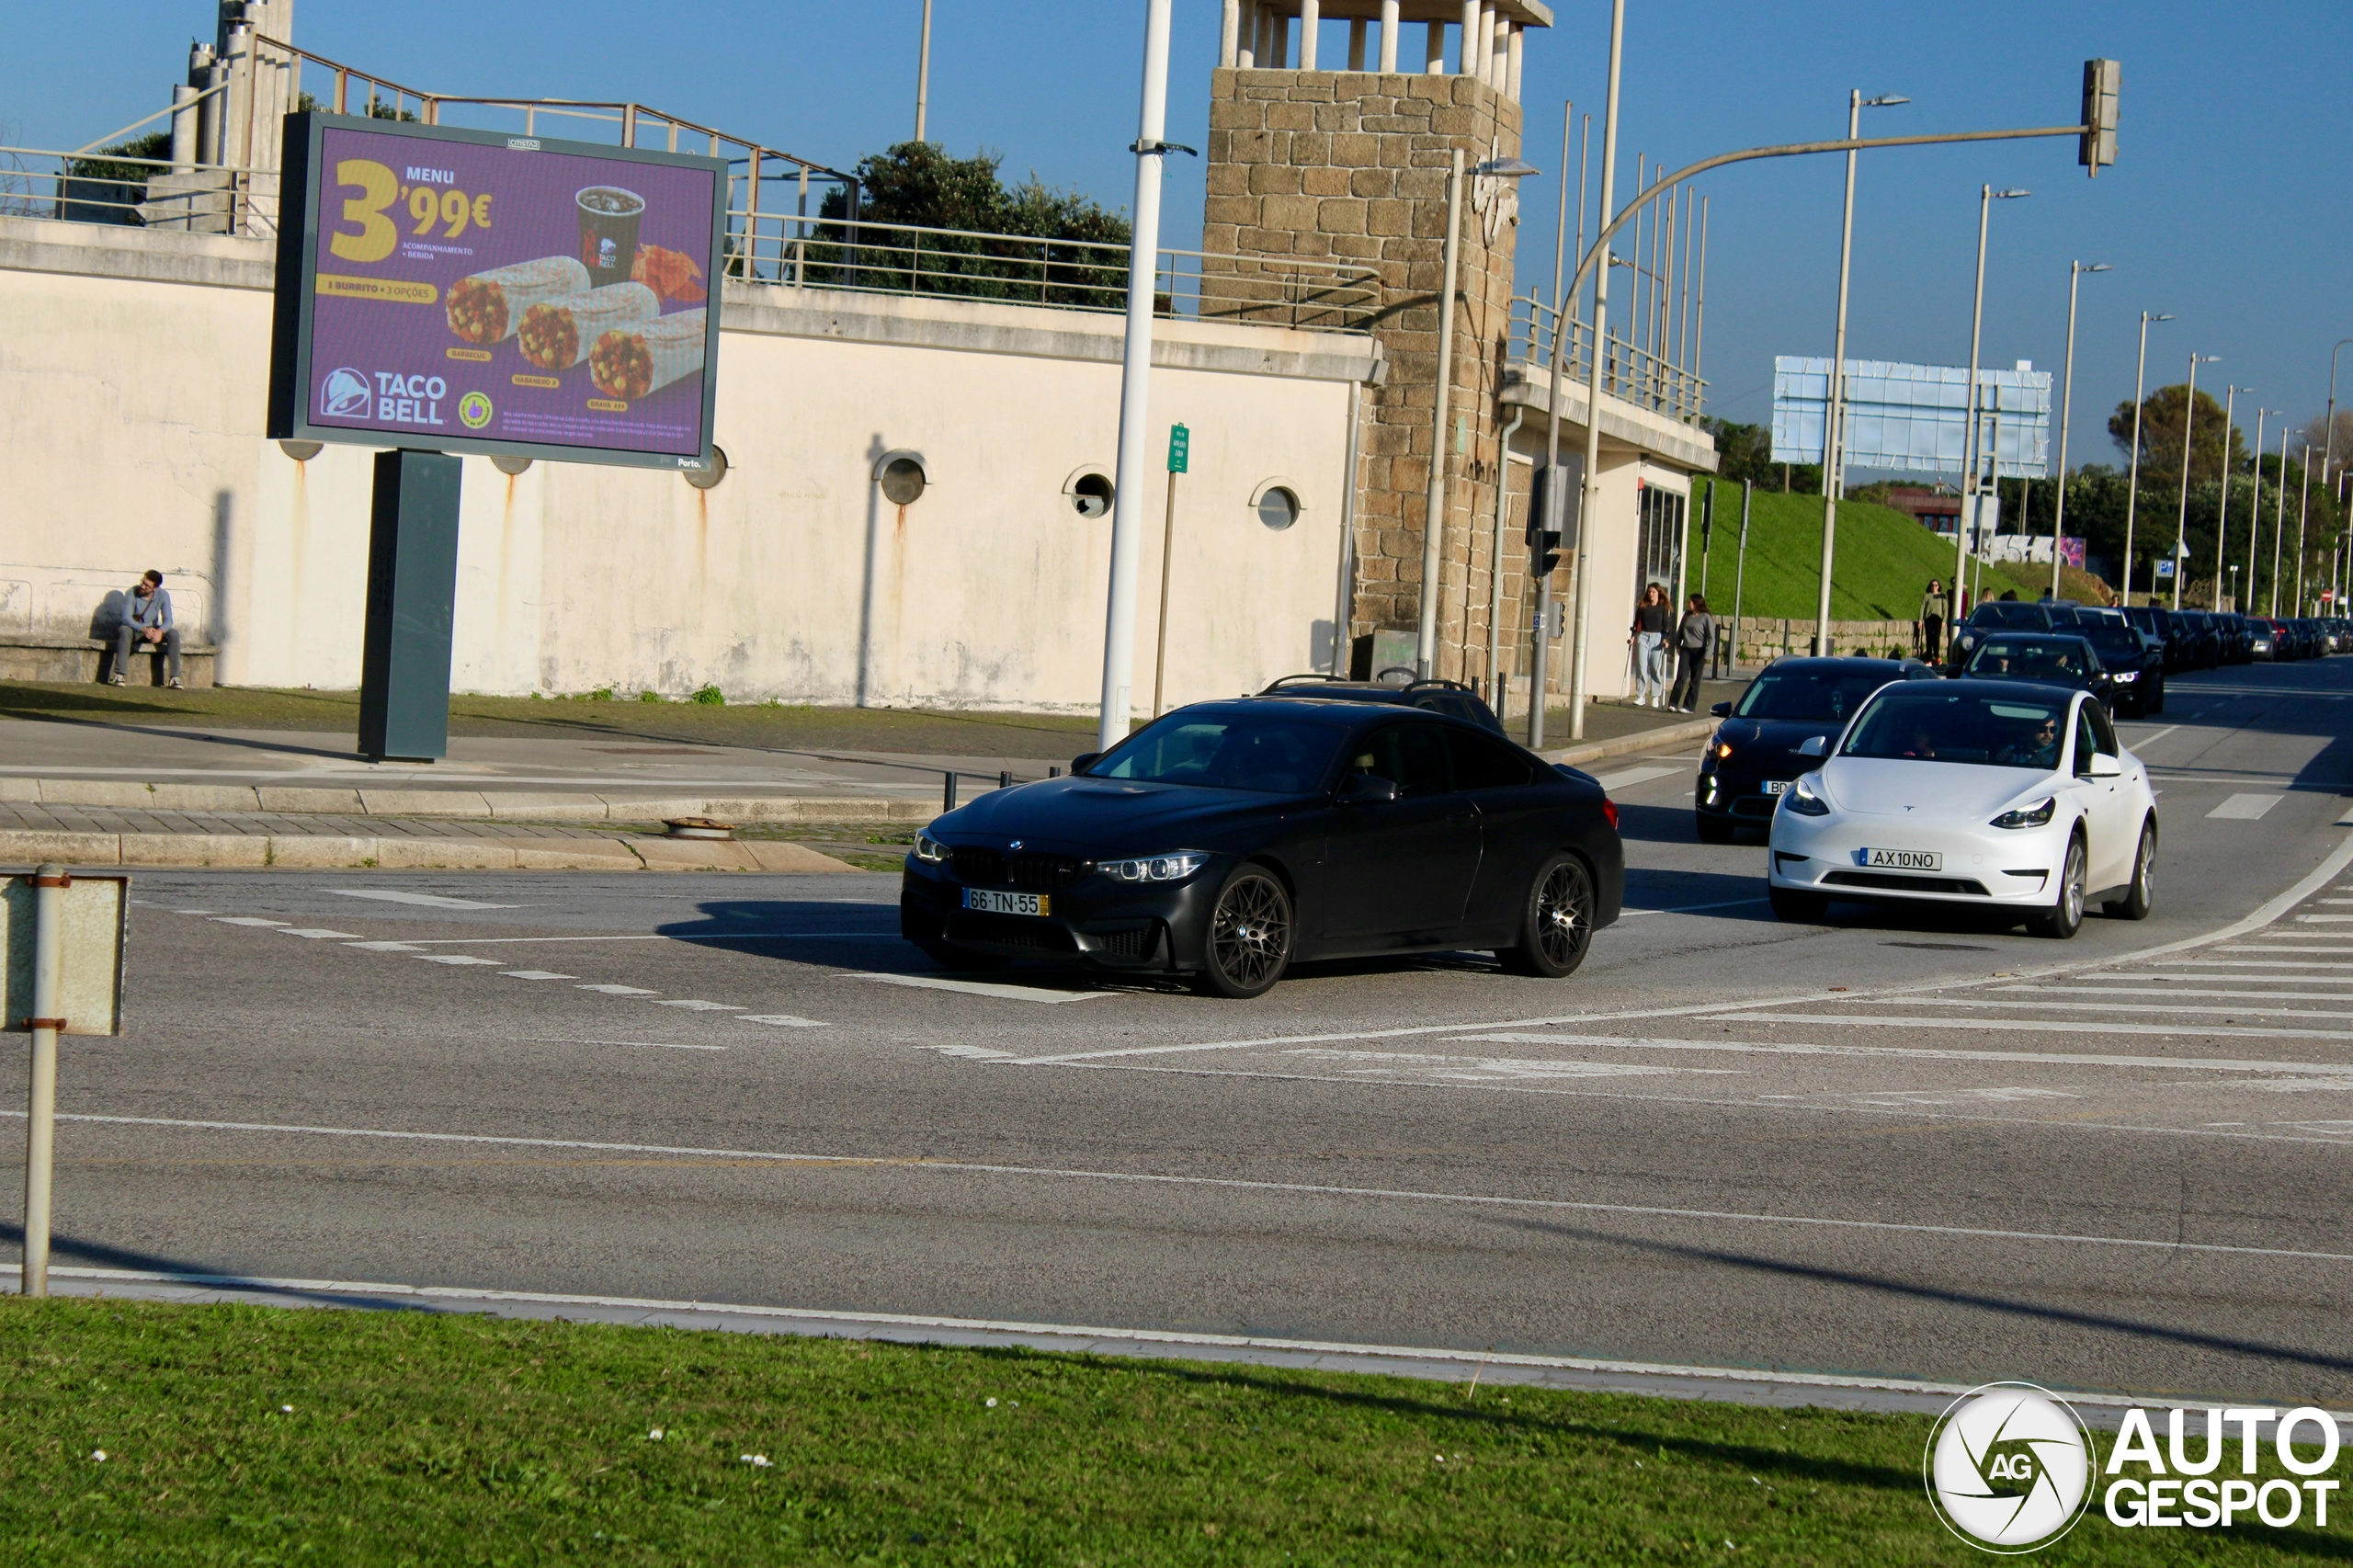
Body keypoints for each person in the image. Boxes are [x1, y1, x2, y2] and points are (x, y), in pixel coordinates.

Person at [110, 569, 180, 688]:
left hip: (153, 630)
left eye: (147, 586)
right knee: (124, 630)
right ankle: (119, 674)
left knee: (174, 634)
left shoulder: (163, 595)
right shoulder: (132, 592)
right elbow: (126, 618)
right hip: (136, 630)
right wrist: (143, 629)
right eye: (142, 582)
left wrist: (160, 631)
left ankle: (175, 677)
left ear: (155, 588)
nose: (142, 587)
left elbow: (168, 620)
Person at [1669, 592, 1714, 712]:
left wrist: (1707, 654)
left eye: (1690, 602)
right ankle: (1673, 703)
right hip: (1686, 649)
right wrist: (1678, 645)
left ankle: (1688, 706)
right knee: (1681, 676)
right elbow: (1679, 632)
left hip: (1699, 651)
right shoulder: (1687, 616)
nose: (1688, 604)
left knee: (1695, 680)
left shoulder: (1705, 617)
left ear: (1696, 603)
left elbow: (1711, 637)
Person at [1629, 583, 1671, 708]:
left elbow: (1666, 625)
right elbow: (1636, 623)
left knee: (1655, 667)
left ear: (1658, 593)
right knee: (1641, 666)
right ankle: (1640, 695)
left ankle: (1655, 696)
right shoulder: (1643, 606)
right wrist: (1633, 636)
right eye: (1649, 592)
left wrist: (1665, 639)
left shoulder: (1663, 608)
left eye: (1653, 592)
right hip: (1643, 636)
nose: (1651, 594)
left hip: (1657, 638)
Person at [1918, 579, 1945, 664]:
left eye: (1936, 585)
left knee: (1936, 638)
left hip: (1938, 618)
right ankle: (1929, 659)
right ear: (1930, 586)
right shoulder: (1927, 596)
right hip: (1928, 618)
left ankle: (1937, 655)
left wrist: (1944, 621)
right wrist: (1920, 620)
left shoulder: (1942, 596)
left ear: (1939, 586)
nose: (1934, 587)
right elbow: (1922, 608)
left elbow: (1945, 609)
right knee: (1929, 638)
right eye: (1932, 585)